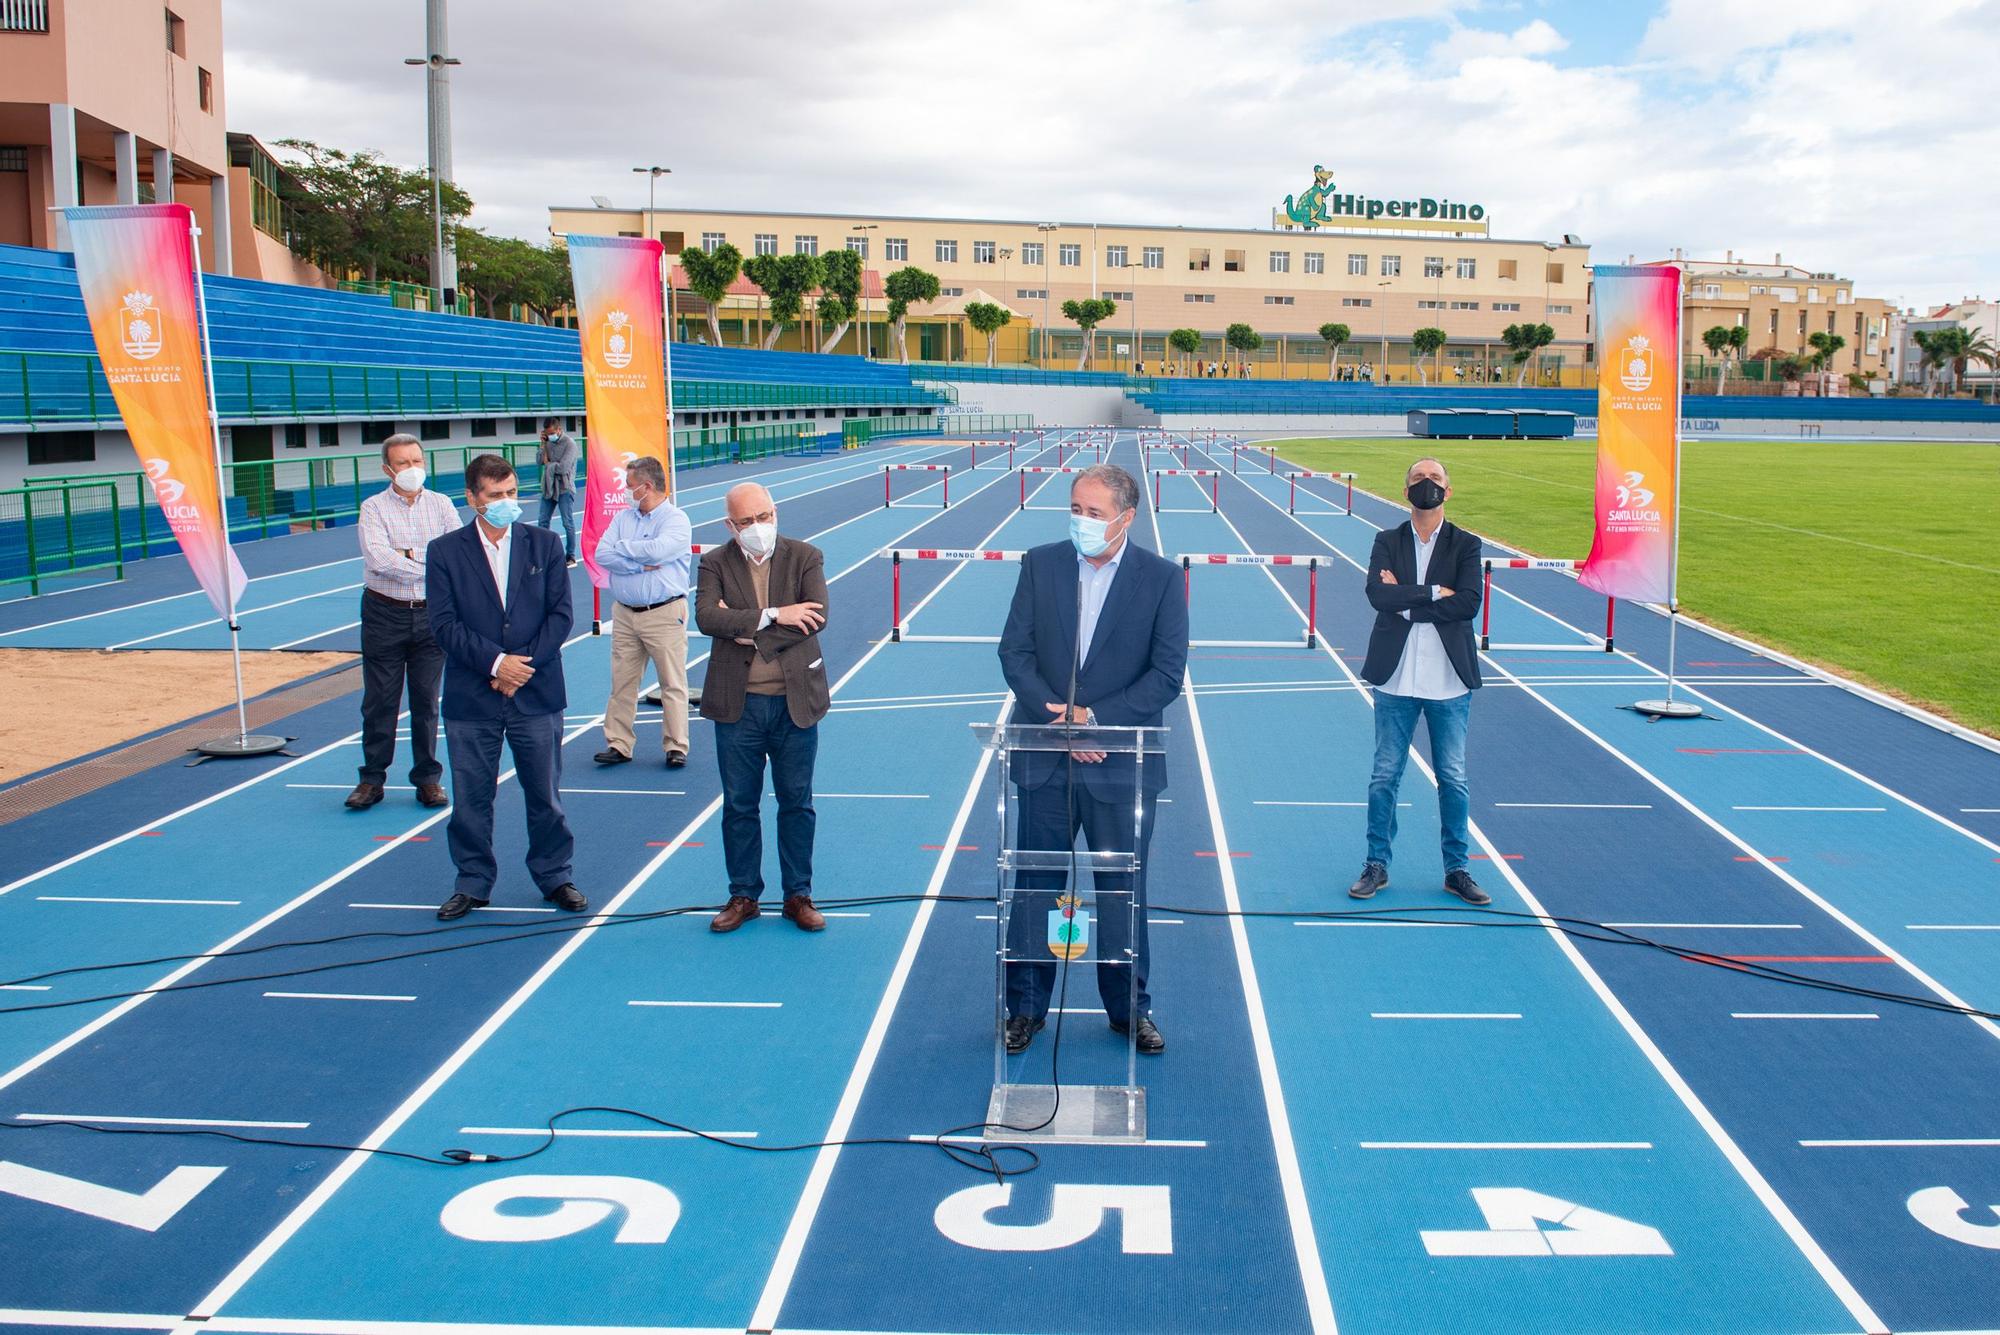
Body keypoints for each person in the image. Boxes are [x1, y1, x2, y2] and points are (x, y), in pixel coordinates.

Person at [997, 463, 1188, 1056]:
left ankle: (1128, 1009)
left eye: (1094, 513)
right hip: (1044, 756)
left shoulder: (1159, 579)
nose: (1080, 521)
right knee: (1037, 887)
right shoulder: (1041, 564)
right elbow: (1015, 652)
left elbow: (1166, 675)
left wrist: (1096, 719)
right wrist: (1060, 719)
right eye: (1075, 509)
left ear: (1126, 518)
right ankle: (1026, 1006)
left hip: (1120, 765)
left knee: (1121, 890)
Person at [426, 453, 587, 921]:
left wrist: (520, 667)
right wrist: (496, 664)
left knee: (545, 795)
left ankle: (555, 876)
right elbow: (444, 625)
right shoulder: (445, 552)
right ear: (472, 499)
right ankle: (473, 882)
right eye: (495, 495)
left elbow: (561, 615)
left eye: (513, 492)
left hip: (535, 691)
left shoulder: (545, 543)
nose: (506, 502)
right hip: (473, 696)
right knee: (472, 798)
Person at [1349, 456, 1489, 908]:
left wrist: (1405, 601)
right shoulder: (1386, 541)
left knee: (1453, 778)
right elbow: (1377, 595)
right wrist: (1431, 593)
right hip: (1395, 679)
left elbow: (1468, 603)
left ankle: (1457, 870)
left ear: (1448, 491)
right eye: (1417, 479)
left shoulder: (1466, 545)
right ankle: (1376, 864)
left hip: (1449, 682)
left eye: (1434, 479)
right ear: (1405, 490)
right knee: (1384, 777)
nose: (1425, 485)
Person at [695, 482, 832, 934]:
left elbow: (815, 618)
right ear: (730, 526)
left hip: (796, 703)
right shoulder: (714, 562)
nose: (759, 528)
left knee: (797, 803)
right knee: (739, 805)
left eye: (765, 517)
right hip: (738, 705)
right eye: (748, 522)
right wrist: (775, 615)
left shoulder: (805, 556)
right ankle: (744, 895)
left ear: (776, 512)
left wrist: (746, 629)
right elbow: (706, 619)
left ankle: (799, 895)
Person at [347, 433, 459, 811]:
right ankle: (372, 779)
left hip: (431, 615)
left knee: (426, 701)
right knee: (379, 701)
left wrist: (409, 555)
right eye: (403, 463)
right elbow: (379, 559)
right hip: (383, 613)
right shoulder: (373, 508)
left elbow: (456, 554)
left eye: (417, 461)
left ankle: (428, 779)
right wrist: (429, 561)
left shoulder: (443, 505)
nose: (412, 469)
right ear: (387, 469)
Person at [592, 456, 694, 769]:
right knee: (622, 682)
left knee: (672, 683)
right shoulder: (624, 518)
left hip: (663, 613)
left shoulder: (676, 520)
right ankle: (619, 744)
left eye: (630, 485)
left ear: (646, 487)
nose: (625, 491)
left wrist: (625, 549)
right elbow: (602, 554)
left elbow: (660, 551)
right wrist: (638, 562)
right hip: (624, 614)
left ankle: (676, 745)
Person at [537, 417, 579, 566]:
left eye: (552, 433)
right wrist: (542, 445)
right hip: (549, 487)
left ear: (559, 429)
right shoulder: (547, 442)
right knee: (542, 521)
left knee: (567, 522)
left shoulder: (570, 444)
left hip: (565, 488)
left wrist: (549, 464)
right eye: (547, 434)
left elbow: (563, 468)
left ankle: (571, 556)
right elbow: (538, 461)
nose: (550, 436)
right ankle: (544, 553)